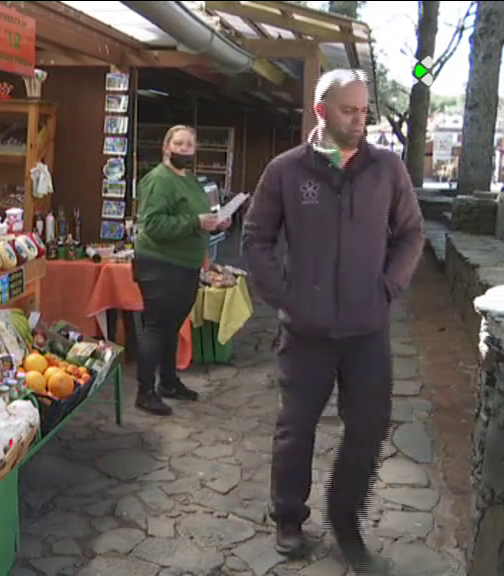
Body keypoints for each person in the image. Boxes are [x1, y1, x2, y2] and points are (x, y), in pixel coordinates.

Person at [241, 69, 424, 574]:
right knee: (296, 429)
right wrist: (286, 296)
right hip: (306, 332)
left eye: (364, 110)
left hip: (367, 330)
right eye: (349, 110)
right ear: (321, 111)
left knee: (368, 426)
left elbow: (411, 233)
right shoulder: (285, 171)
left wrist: (388, 286)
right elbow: (255, 238)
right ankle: (288, 517)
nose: (360, 119)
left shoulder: (387, 168)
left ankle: (346, 520)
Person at [133, 125, 230, 417]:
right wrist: (194, 222)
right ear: (166, 147)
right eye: (178, 143)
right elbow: (152, 224)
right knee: (156, 327)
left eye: (189, 144)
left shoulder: (189, 180)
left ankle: (168, 382)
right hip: (161, 264)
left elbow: (197, 216)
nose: (184, 149)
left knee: (172, 327)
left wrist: (215, 223)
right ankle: (145, 392)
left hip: (186, 265)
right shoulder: (158, 180)